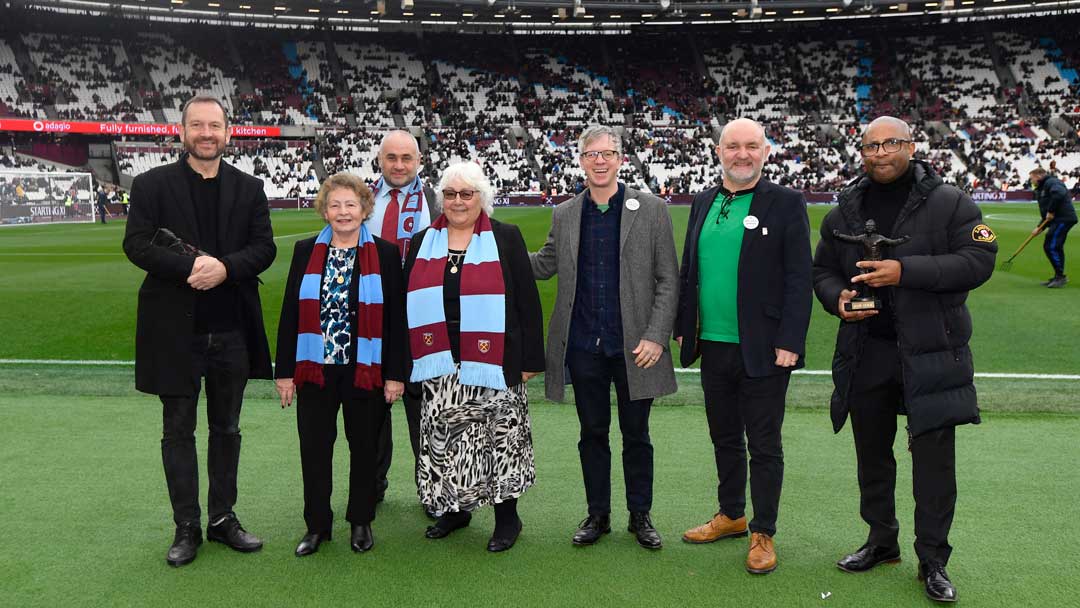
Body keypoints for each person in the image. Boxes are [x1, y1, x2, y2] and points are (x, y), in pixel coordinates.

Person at [812, 116, 997, 603]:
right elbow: (823, 271)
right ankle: (881, 541)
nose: (879, 153)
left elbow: (979, 261)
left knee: (934, 463)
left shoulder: (950, 201)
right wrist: (838, 301)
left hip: (931, 351)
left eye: (890, 143)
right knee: (872, 456)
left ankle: (933, 560)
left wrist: (904, 271)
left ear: (911, 146)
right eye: (870, 145)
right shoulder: (845, 208)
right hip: (866, 350)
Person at [122, 95, 276, 567]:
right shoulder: (151, 185)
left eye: (215, 126)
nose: (207, 133)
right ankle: (186, 526)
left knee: (226, 428)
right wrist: (192, 266)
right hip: (175, 332)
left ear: (228, 132)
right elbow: (136, 244)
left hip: (231, 330)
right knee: (178, 431)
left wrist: (224, 269)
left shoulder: (250, 188)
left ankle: (222, 518)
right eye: (198, 125)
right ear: (182, 131)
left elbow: (263, 249)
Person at [674, 118, 812, 574]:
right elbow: (688, 271)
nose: (742, 154)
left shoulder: (786, 203)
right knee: (724, 437)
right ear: (719, 152)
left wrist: (791, 339)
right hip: (713, 345)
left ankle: (763, 530)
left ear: (766, 152)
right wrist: (683, 325)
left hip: (766, 348)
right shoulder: (703, 201)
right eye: (733, 146)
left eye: (751, 146)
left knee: (765, 444)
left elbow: (799, 277)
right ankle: (732, 514)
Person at [531, 125, 679, 550]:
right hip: (583, 346)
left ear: (620, 159)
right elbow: (543, 265)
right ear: (580, 161)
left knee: (637, 435)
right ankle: (598, 514)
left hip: (636, 347)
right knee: (592, 433)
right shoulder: (564, 213)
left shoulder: (650, 209)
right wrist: (491, 244)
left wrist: (656, 336)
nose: (600, 161)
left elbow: (668, 279)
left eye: (608, 153)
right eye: (591, 154)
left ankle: (640, 514)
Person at [403, 161, 544, 552]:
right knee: (445, 439)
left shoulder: (506, 238)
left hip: (495, 361)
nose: (458, 201)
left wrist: (531, 359)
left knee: (500, 439)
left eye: (467, 194)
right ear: (440, 199)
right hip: (440, 364)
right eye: (450, 194)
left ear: (482, 198)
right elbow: (406, 306)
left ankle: (507, 518)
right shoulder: (421, 243)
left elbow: (528, 303)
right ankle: (455, 509)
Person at [274, 173, 408, 556]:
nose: (343, 212)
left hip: (365, 368)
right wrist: (284, 371)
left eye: (351, 204)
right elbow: (290, 314)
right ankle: (317, 525)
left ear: (365, 209)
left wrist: (395, 375)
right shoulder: (305, 251)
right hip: (315, 366)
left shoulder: (383, 254)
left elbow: (396, 318)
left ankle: (361, 520)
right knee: (314, 449)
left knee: (364, 448)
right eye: (335, 205)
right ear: (325, 210)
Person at [366, 130, 439, 508]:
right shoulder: (362, 199)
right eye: (391, 157)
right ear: (380, 160)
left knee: (424, 411)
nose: (398, 165)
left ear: (419, 162)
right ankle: (372, 485)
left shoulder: (438, 200)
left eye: (406, 158)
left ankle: (431, 489)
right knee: (372, 410)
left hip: (422, 320)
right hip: (373, 318)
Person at [1029, 167, 1076, 288]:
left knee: (1052, 246)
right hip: (1057, 220)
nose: (1031, 181)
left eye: (1032, 178)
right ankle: (1058, 276)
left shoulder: (1052, 182)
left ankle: (1060, 277)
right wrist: (1039, 227)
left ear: (1039, 176)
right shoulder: (1041, 188)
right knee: (1052, 246)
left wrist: (1051, 211)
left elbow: (1059, 195)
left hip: (1063, 218)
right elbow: (1046, 215)